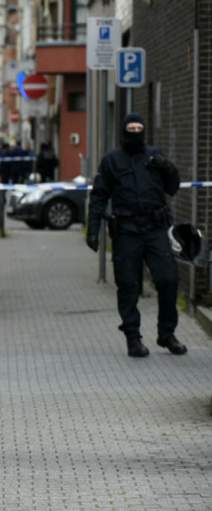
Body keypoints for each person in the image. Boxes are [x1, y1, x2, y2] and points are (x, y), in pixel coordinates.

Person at [86, 113, 187, 358]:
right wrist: (93, 229)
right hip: (126, 231)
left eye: (138, 127)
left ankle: (167, 334)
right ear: (123, 131)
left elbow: (172, 187)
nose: (135, 131)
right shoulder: (112, 161)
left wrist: (169, 168)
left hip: (155, 229)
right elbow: (99, 196)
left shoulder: (154, 156)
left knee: (168, 279)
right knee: (129, 285)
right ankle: (133, 338)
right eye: (130, 128)